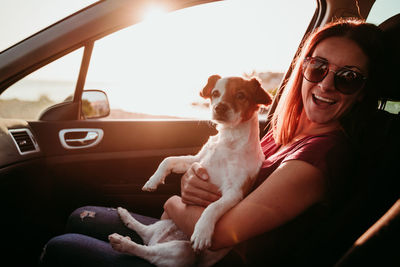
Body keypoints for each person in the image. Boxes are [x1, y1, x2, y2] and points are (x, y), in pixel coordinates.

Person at [40, 18, 385, 266]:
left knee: (63, 246)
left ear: (362, 93)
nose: (326, 85)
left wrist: (176, 202)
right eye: (319, 67)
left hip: (210, 258)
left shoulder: (314, 162)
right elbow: (214, 174)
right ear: (304, 69)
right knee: (79, 217)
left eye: (348, 78)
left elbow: (221, 235)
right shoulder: (284, 134)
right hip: (188, 236)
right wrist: (191, 180)